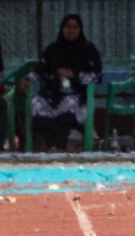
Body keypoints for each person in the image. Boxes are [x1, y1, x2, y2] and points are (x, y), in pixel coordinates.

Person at [29, 14, 101, 152]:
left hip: (77, 95)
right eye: (67, 26)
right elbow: (40, 69)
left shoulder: (88, 50)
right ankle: (53, 145)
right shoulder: (53, 49)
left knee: (69, 102)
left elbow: (96, 76)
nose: (71, 30)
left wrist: (74, 74)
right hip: (53, 94)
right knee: (37, 103)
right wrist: (27, 79)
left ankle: (61, 145)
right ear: (62, 29)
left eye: (75, 27)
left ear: (80, 30)